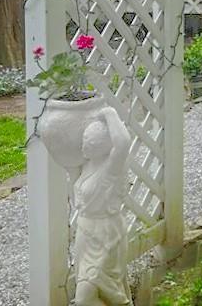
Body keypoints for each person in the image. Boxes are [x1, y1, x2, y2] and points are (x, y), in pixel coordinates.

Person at [72, 107, 132, 306]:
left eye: (90, 143)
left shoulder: (111, 169)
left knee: (85, 298)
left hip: (106, 233)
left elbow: (123, 143)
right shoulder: (87, 164)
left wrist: (109, 113)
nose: (84, 146)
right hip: (85, 233)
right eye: (84, 140)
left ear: (104, 146)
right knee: (92, 292)